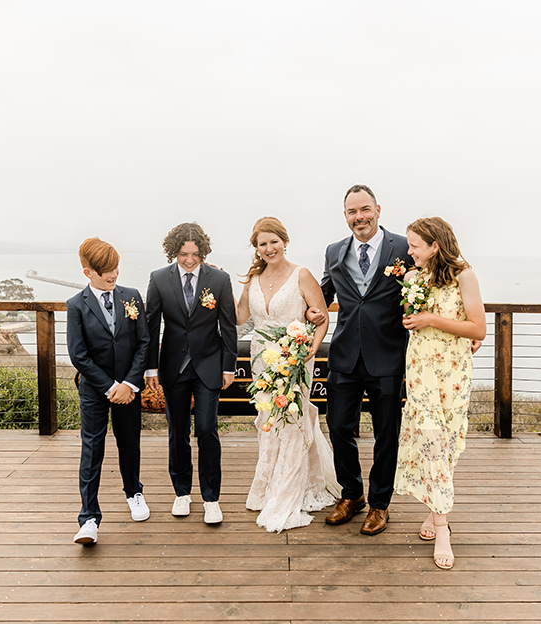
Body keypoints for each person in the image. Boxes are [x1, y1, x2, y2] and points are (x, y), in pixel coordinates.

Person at [308, 184, 411, 535]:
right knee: (338, 427)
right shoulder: (334, 251)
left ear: (378, 210)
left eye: (364, 209)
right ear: (345, 216)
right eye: (352, 212)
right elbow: (321, 294)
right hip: (345, 355)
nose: (359, 217)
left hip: (388, 356)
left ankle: (380, 504)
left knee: (386, 434)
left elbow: (431, 283)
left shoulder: (403, 248)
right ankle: (352, 496)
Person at [235, 216, 341, 532]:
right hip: (260, 359)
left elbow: (321, 318)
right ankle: (277, 484)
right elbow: (239, 318)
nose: (269, 248)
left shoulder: (301, 275)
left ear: (284, 241)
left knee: (291, 419)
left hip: (294, 357)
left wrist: (313, 346)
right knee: (268, 422)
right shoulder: (252, 279)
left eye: (273, 242)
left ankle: (286, 494)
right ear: (256, 248)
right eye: (262, 244)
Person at [394, 217, 486, 570]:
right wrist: (415, 319)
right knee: (429, 439)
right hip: (420, 369)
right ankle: (443, 527)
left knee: (445, 444)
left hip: (453, 371)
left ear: (436, 245)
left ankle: (434, 510)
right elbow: (411, 318)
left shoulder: (465, 276)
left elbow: (477, 326)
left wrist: (431, 319)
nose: (410, 251)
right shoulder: (412, 278)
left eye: (415, 245)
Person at [144, 223, 238, 524]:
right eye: (183, 254)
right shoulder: (158, 279)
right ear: (174, 252)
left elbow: (229, 325)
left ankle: (212, 498)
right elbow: (150, 325)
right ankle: (182, 493)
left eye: (195, 254)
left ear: (203, 252)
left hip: (209, 365)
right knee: (177, 432)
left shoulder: (220, 279)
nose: (188, 260)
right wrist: (150, 367)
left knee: (208, 429)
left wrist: (228, 365)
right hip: (173, 367)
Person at [67, 238, 150, 545]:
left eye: (115, 268)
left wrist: (129, 383)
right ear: (88, 272)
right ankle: (88, 517)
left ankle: (134, 492)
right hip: (94, 389)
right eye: (105, 272)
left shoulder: (132, 297)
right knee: (92, 450)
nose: (113, 275)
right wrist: (109, 386)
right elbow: (78, 355)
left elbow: (143, 342)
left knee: (130, 443)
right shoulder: (76, 305)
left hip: (128, 388)